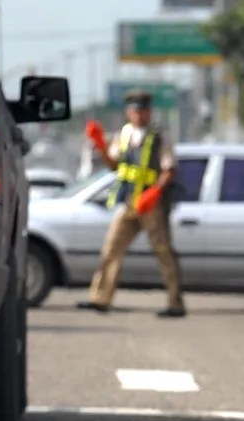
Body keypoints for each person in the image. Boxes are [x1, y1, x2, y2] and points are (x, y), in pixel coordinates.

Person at [77, 89, 187, 318]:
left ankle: (175, 303)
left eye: (144, 110)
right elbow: (113, 165)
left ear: (149, 112)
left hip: (152, 203)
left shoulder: (159, 136)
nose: (140, 115)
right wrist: (99, 144)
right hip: (130, 201)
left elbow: (169, 169)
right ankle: (100, 298)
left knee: (163, 251)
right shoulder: (124, 134)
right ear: (129, 112)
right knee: (111, 248)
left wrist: (155, 192)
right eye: (135, 111)